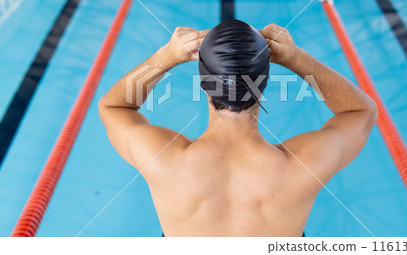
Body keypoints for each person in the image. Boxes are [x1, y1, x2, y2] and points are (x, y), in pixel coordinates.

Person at [98, 19, 378, 236]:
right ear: (264, 82)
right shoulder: (304, 165)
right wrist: (298, 59)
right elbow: (361, 111)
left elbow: (113, 107)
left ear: (203, 83)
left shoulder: (164, 158)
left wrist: (165, 57)